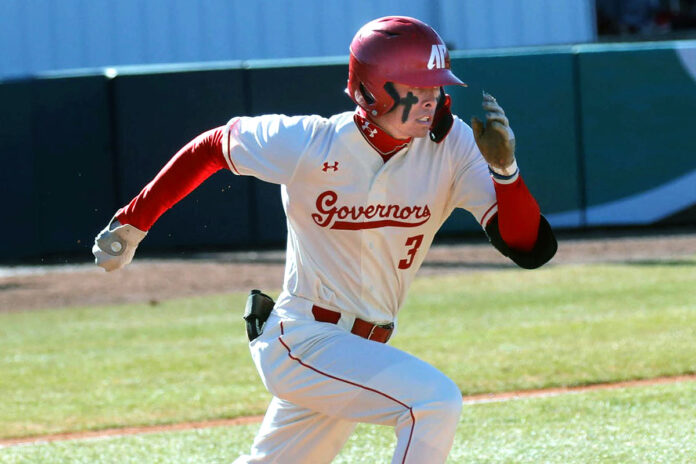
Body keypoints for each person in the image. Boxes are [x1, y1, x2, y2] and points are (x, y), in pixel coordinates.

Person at [93, 16, 557, 464]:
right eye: (418, 86)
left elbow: (529, 247)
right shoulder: (311, 143)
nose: (433, 97)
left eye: (437, 85)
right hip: (304, 339)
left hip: (359, 349)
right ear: (375, 88)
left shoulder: (453, 146)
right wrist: (133, 222)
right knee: (433, 403)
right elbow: (213, 146)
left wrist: (505, 173)